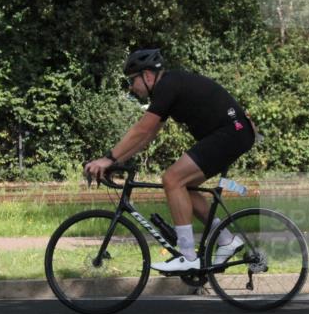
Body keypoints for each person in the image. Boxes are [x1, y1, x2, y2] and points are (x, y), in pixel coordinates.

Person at [83, 48, 255, 272]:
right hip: (233, 133)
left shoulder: (167, 85)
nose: (130, 87)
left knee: (172, 179)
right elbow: (146, 135)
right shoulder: (167, 89)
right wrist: (115, 162)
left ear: (147, 75)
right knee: (185, 186)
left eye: (132, 80)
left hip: (231, 133)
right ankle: (225, 240)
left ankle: (188, 257)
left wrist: (107, 159)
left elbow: (141, 129)